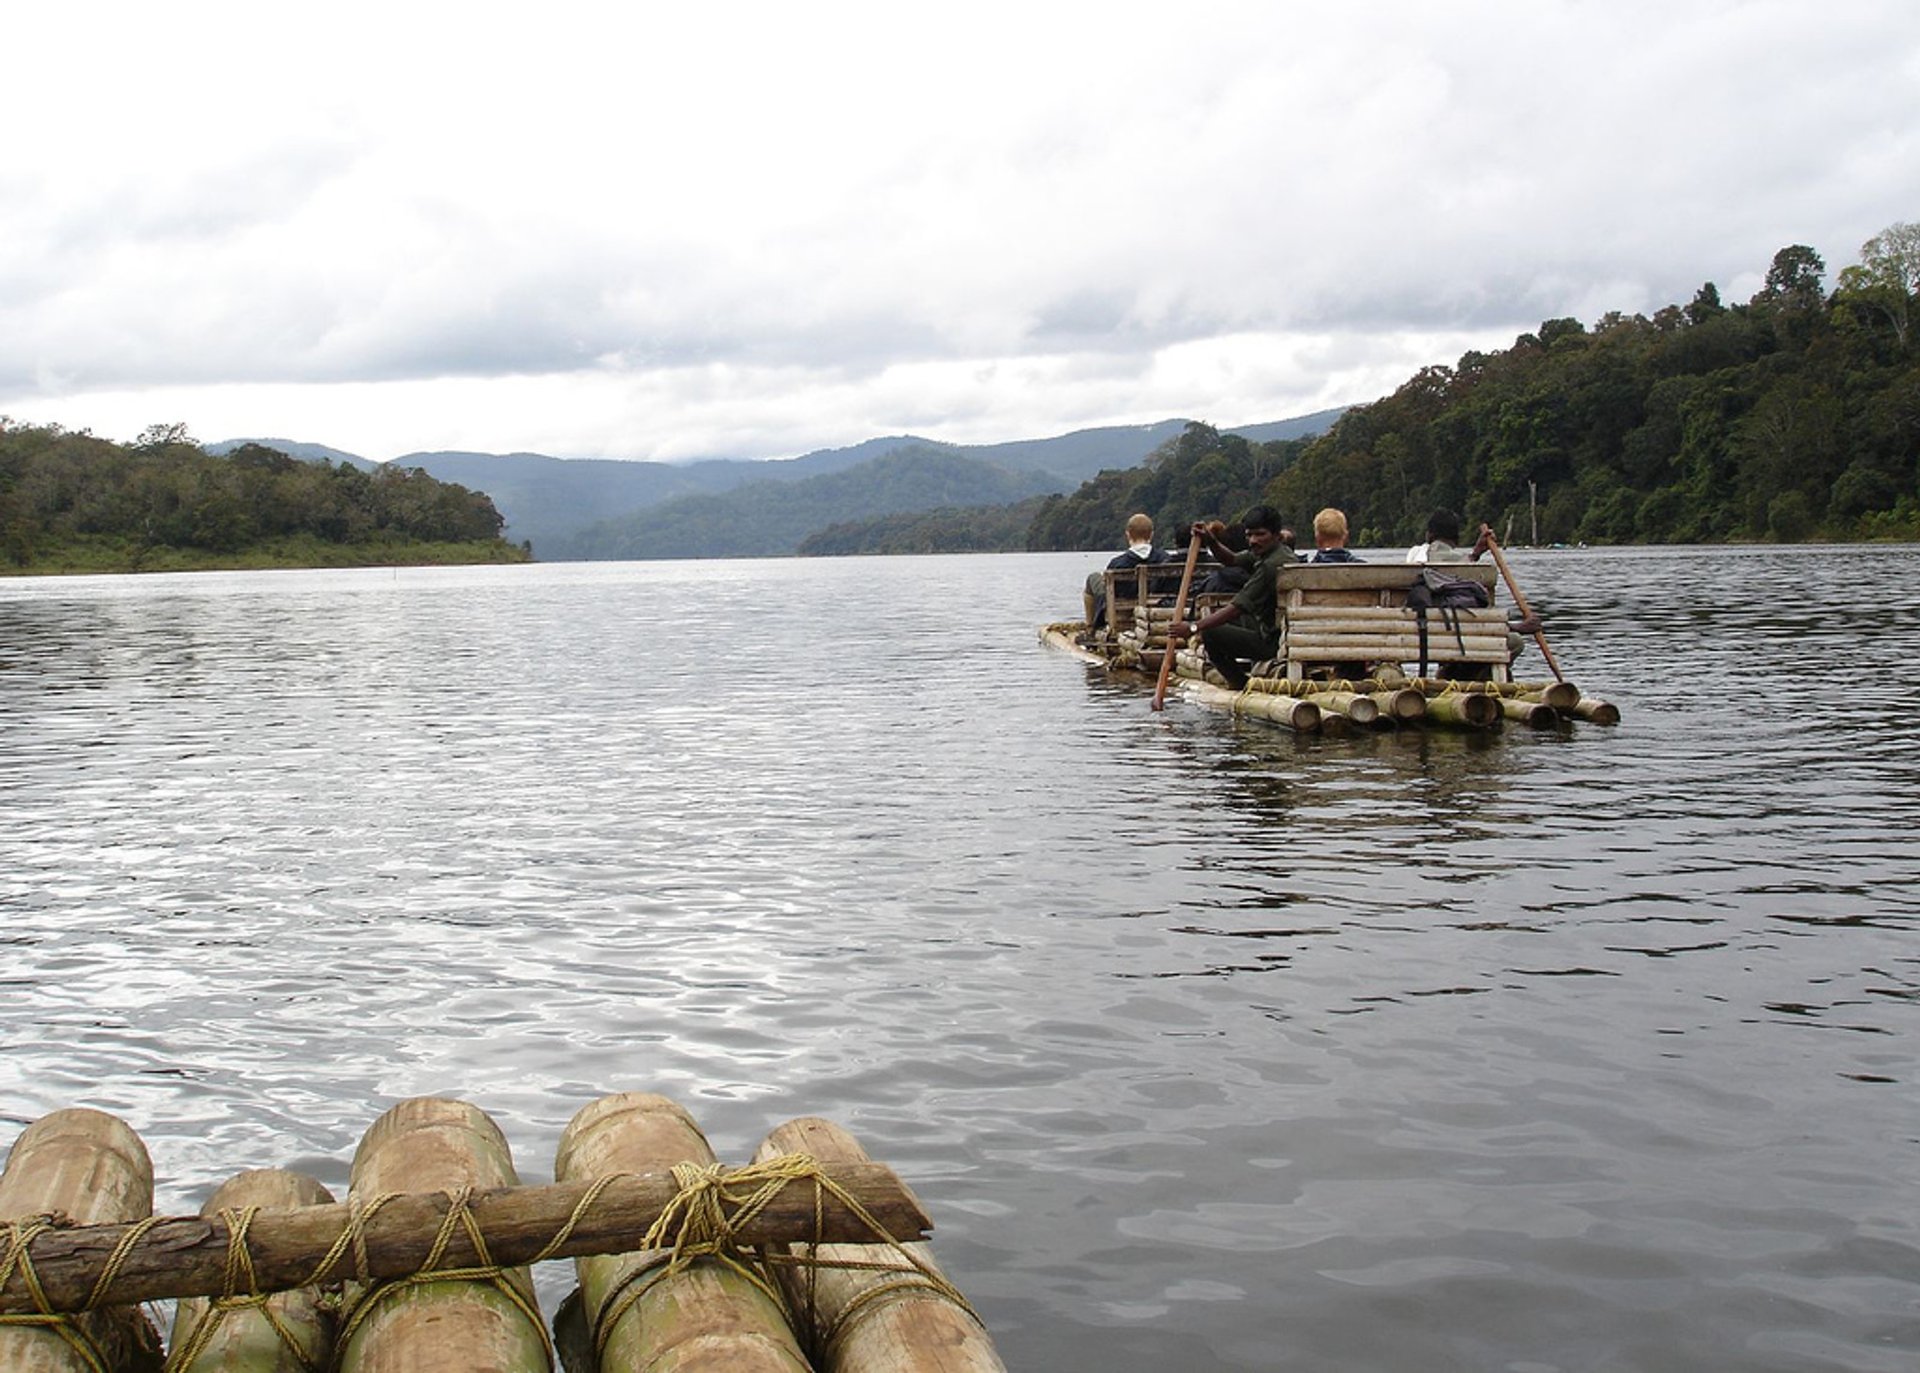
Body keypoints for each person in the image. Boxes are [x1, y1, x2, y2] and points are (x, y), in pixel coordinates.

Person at [1165, 505, 1298, 690]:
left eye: (1260, 534)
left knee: (1211, 634)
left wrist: (1193, 627)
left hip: (1275, 642)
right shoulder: (1273, 553)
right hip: (1275, 630)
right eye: (1249, 535)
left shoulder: (1270, 566)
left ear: (1276, 535)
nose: (1253, 541)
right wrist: (1210, 540)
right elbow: (1232, 560)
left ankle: (1239, 683)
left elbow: (1237, 607)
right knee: (1223, 621)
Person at [1083, 513, 1172, 635]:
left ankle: (1090, 627)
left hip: (1122, 612)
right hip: (1155, 609)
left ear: (1128, 534)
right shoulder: (1166, 560)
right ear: (1152, 534)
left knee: (1093, 578)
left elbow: (1108, 590)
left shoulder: (1117, 563)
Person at [1406, 509, 1491, 564]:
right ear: (1456, 540)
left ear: (1428, 535)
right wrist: (1475, 554)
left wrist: (1476, 553)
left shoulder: (1414, 552)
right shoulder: (1444, 555)